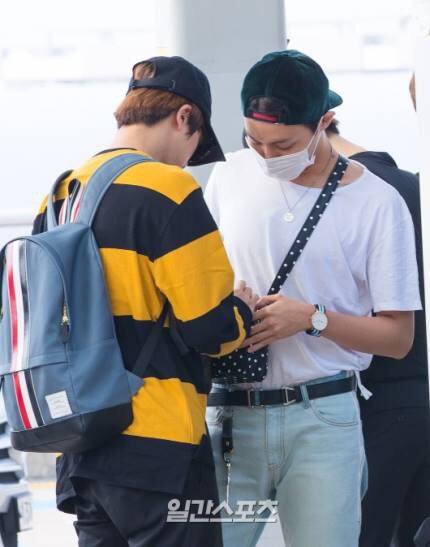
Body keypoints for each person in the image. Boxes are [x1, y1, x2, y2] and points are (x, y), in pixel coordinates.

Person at [32, 55, 257, 547]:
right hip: (157, 448)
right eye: (195, 145)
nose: (188, 161)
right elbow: (210, 330)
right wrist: (242, 309)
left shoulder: (61, 194)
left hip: (80, 442)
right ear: (184, 117)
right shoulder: (168, 188)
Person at [204, 49, 421, 547]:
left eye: (283, 144)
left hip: (324, 416)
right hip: (230, 412)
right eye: (253, 140)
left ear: (324, 121)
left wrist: (311, 319)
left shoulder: (377, 202)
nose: (266, 156)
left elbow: (398, 338)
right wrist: (226, 302)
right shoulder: (229, 175)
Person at [326, 114, 430, 546]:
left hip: (374, 396)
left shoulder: (349, 194)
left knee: (363, 533)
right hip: (418, 389)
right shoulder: (414, 186)